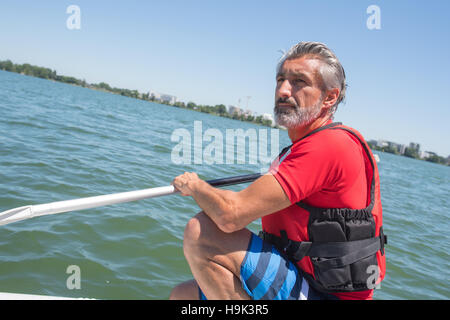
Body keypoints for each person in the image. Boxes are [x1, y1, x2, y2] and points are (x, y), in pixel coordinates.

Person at [169, 41, 386, 300]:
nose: (283, 90)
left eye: (298, 82)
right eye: (281, 79)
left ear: (330, 97)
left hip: (326, 295)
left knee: (202, 231)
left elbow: (230, 215)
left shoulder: (329, 146)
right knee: (183, 296)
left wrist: (195, 185)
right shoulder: (308, 147)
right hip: (305, 278)